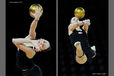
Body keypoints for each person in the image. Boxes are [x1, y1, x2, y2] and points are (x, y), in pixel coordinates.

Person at [12, 5, 50, 76]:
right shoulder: (32, 37)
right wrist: (36, 19)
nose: (42, 43)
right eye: (44, 42)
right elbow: (32, 28)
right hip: (32, 71)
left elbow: (14, 41)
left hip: (31, 73)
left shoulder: (31, 52)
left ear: (40, 49)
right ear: (41, 39)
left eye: (43, 46)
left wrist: (31, 41)